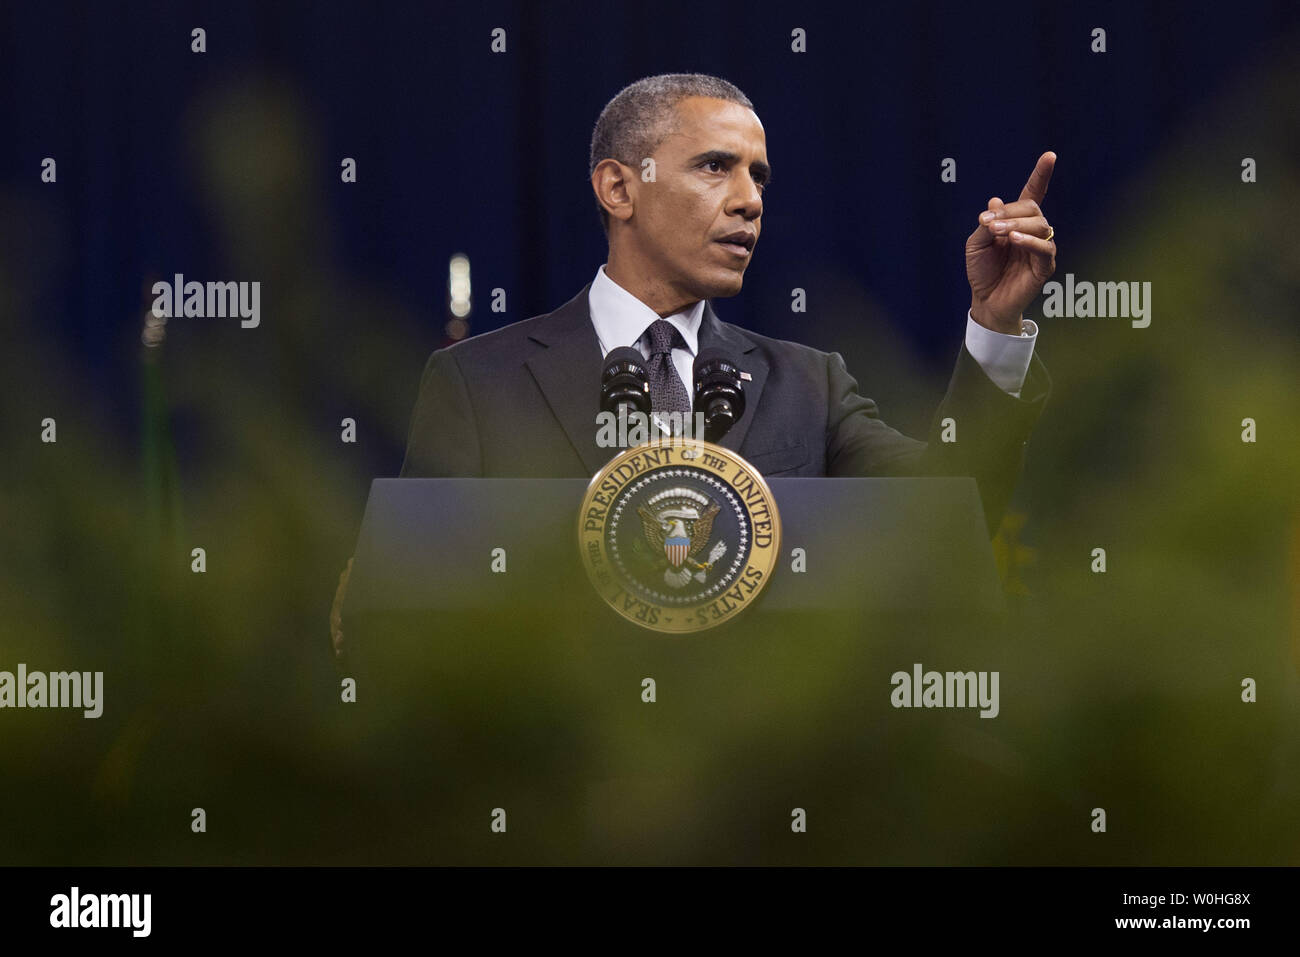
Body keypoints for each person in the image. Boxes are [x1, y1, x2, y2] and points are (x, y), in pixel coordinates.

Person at [332, 73, 1056, 658]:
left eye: (760, 177)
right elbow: (418, 611)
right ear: (619, 187)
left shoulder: (810, 383)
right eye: (716, 167)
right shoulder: (477, 381)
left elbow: (947, 510)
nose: (749, 201)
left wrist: (994, 327)